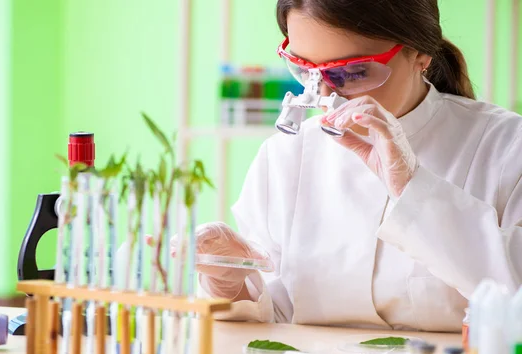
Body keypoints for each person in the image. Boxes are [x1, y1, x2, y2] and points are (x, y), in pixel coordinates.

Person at [186, 0, 522, 332]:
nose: (322, 94)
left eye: (352, 72)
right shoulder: (285, 155)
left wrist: (412, 188)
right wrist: (231, 283)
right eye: (305, 70)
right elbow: (275, 314)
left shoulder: (506, 147)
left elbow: (515, 293)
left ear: (420, 54)